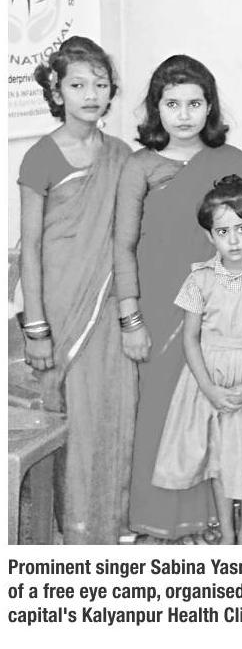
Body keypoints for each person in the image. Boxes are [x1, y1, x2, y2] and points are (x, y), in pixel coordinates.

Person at [116, 54, 242, 542]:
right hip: (158, 306)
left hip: (219, 310)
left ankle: (207, 517)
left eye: (195, 103)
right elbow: (123, 245)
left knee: (208, 413)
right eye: (172, 103)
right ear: (156, 108)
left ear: (210, 106)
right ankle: (155, 517)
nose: (184, 114)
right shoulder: (141, 165)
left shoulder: (233, 162)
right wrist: (130, 318)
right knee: (159, 408)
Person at [17, 36, 137, 544]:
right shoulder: (40, 156)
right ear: (57, 91)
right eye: (78, 84)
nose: (91, 94)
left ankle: (111, 521)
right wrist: (36, 327)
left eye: (100, 84)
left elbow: (127, 236)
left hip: (108, 306)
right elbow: (30, 247)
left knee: (113, 411)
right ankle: (74, 528)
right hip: (60, 307)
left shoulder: (120, 155)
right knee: (68, 420)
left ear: (111, 91)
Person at [150, 176, 242, 545]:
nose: (233, 240)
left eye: (241, 229)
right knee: (219, 460)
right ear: (210, 236)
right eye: (222, 231)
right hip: (210, 377)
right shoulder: (200, 279)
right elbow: (190, 338)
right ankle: (228, 535)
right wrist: (209, 388)